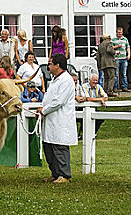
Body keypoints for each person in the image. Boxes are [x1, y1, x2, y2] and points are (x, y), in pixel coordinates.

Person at [37, 54, 77, 184]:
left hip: (60, 119)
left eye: (50, 64)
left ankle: (64, 175)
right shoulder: (54, 79)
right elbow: (50, 98)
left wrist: (44, 110)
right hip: (50, 119)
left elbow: (59, 101)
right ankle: (55, 174)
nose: (48, 66)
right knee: (49, 148)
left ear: (57, 65)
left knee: (60, 147)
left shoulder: (66, 80)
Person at [112, 27, 130, 92]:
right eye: (118, 32)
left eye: (121, 32)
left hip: (124, 58)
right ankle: (115, 87)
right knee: (116, 74)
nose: (119, 33)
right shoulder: (113, 40)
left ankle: (124, 87)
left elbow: (128, 47)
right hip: (116, 58)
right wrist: (117, 46)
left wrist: (129, 55)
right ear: (116, 32)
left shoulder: (125, 39)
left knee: (124, 73)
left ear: (122, 32)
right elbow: (111, 48)